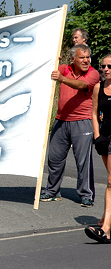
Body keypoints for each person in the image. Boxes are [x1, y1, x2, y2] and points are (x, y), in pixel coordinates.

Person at [40, 44, 100, 207]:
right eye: (82, 57)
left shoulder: (93, 73)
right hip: (61, 120)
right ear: (73, 59)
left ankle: (86, 194)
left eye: (88, 57)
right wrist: (53, 61)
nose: (86, 60)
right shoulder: (64, 68)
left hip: (82, 122)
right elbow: (47, 70)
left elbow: (81, 85)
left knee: (83, 162)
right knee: (54, 159)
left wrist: (61, 78)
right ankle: (52, 191)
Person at [84, 55, 111, 243]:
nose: (106, 69)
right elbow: (93, 113)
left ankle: (106, 228)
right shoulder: (98, 87)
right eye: (103, 66)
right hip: (104, 138)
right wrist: (96, 135)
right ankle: (106, 219)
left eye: (110, 66)